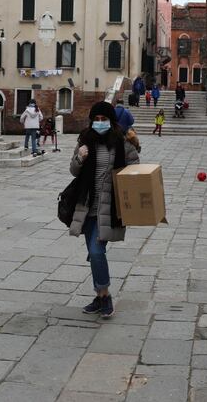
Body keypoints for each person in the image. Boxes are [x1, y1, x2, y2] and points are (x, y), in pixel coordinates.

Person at [69, 101, 140, 318]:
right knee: (93, 252)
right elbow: (73, 171)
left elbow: (135, 172)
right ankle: (99, 297)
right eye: (97, 120)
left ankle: (106, 295)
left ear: (112, 122)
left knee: (97, 251)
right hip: (87, 206)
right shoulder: (85, 141)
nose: (100, 123)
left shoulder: (122, 144)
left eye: (104, 120)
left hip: (110, 208)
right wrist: (80, 157)